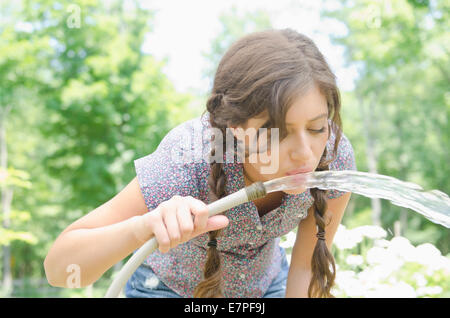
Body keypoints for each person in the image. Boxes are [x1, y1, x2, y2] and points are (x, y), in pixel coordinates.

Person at [44, 28, 357, 298]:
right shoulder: (188, 160)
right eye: (278, 133)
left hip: (263, 288)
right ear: (235, 127)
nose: (305, 153)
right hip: (168, 289)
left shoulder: (333, 157)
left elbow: (306, 267)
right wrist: (143, 228)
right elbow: (60, 270)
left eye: (316, 128)